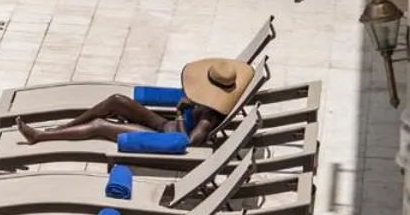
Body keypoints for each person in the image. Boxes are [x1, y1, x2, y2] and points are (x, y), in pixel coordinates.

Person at [15, 57, 254, 145]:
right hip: (162, 124)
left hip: (161, 138)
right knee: (116, 100)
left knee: (100, 125)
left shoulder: (207, 121)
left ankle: (40, 137)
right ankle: (65, 127)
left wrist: (181, 114)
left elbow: (187, 144)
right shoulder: (214, 101)